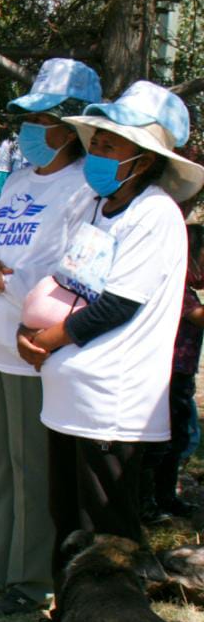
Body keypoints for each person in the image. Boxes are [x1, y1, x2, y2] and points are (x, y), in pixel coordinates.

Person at [7, 80, 203, 622]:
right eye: (97, 141)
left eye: (112, 147)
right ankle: (69, 619)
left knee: (106, 529)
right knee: (68, 520)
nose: (97, 153)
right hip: (69, 391)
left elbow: (118, 303)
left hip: (114, 398)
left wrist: (48, 339)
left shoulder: (155, 215)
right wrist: (34, 331)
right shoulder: (97, 204)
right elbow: (71, 280)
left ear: (144, 161)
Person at [0, 59, 101, 615]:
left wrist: (4, 278)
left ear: (70, 126)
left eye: (43, 118)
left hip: (35, 346)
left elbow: (72, 269)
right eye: (28, 117)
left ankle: (31, 578)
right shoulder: (15, 179)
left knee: (32, 468)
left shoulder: (84, 187)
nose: (29, 130)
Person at [143, 223, 204, 521]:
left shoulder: (186, 288)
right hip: (166, 376)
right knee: (161, 443)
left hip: (180, 375)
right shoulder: (177, 288)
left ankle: (165, 498)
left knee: (176, 439)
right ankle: (149, 502)